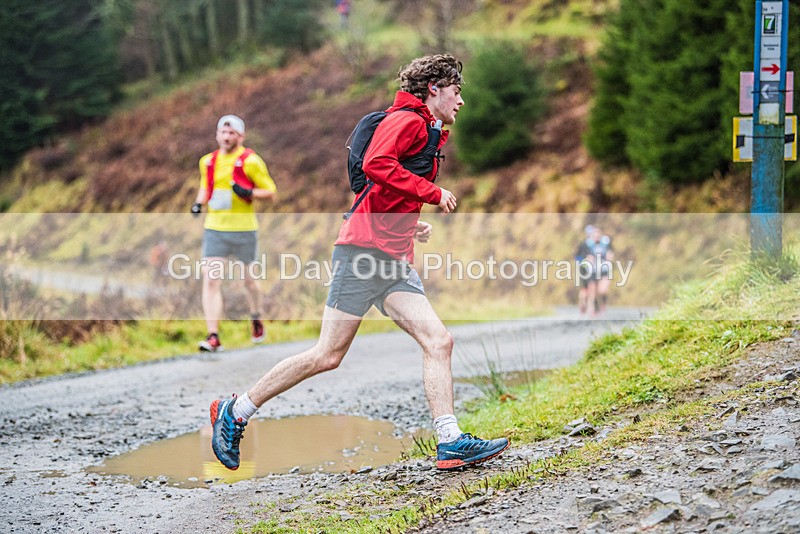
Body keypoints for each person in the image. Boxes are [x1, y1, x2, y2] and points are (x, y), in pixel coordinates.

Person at [209, 54, 509, 472]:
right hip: (363, 253)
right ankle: (235, 410)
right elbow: (376, 165)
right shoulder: (407, 120)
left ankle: (450, 441)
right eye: (456, 93)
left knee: (439, 341)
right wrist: (430, 193)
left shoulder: (427, 128)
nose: (461, 102)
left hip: (392, 257)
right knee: (327, 355)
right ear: (434, 89)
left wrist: (411, 221)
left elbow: (382, 187)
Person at [192, 115, 277, 352]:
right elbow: (205, 186)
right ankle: (213, 336)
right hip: (215, 229)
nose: (227, 137)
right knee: (211, 280)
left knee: (248, 282)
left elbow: (271, 193)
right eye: (223, 132)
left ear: (241, 136)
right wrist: (198, 203)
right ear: (217, 134)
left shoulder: (251, 161)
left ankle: (256, 316)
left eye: (232, 133)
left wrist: (247, 191)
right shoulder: (207, 161)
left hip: (244, 230)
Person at [575, 225, 614, 316]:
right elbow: (579, 257)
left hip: (603, 269)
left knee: (601, 290)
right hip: (590, 270)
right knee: (590, 290)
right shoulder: (586, 245)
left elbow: (610, 253)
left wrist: (610, 256)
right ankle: (592, 308)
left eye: (598, 235)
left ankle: (600, 305)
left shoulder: (605, 243)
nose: (596, 237)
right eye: (594, 235)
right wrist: (585, 261)